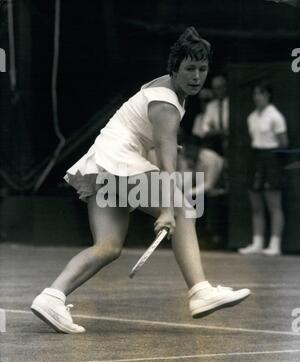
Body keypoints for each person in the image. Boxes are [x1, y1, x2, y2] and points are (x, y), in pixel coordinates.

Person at [31, 27, 250, 334]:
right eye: (189, 69)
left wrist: (161, 150)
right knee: (185, 208)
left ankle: (51, 296)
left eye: (202, 69)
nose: (197, 76)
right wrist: (166, 209)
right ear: (174, 69)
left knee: (107, 246)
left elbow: (144, 132)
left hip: (104, 164)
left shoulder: (163, 90)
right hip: (118, 162)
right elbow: (166, 163)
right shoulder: (167, 105)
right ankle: (200, 291)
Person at [239, 82, 288, 256]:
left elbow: (283, 143)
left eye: (260, 93)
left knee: (274, 205)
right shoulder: (251, 117)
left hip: (272, 159)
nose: (256, 97)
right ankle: (257, 243)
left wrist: (271, 157)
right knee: (256, 205)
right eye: (255, 94)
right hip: (255, 158)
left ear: (268, 95)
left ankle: (275, 244)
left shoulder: (276, 116)